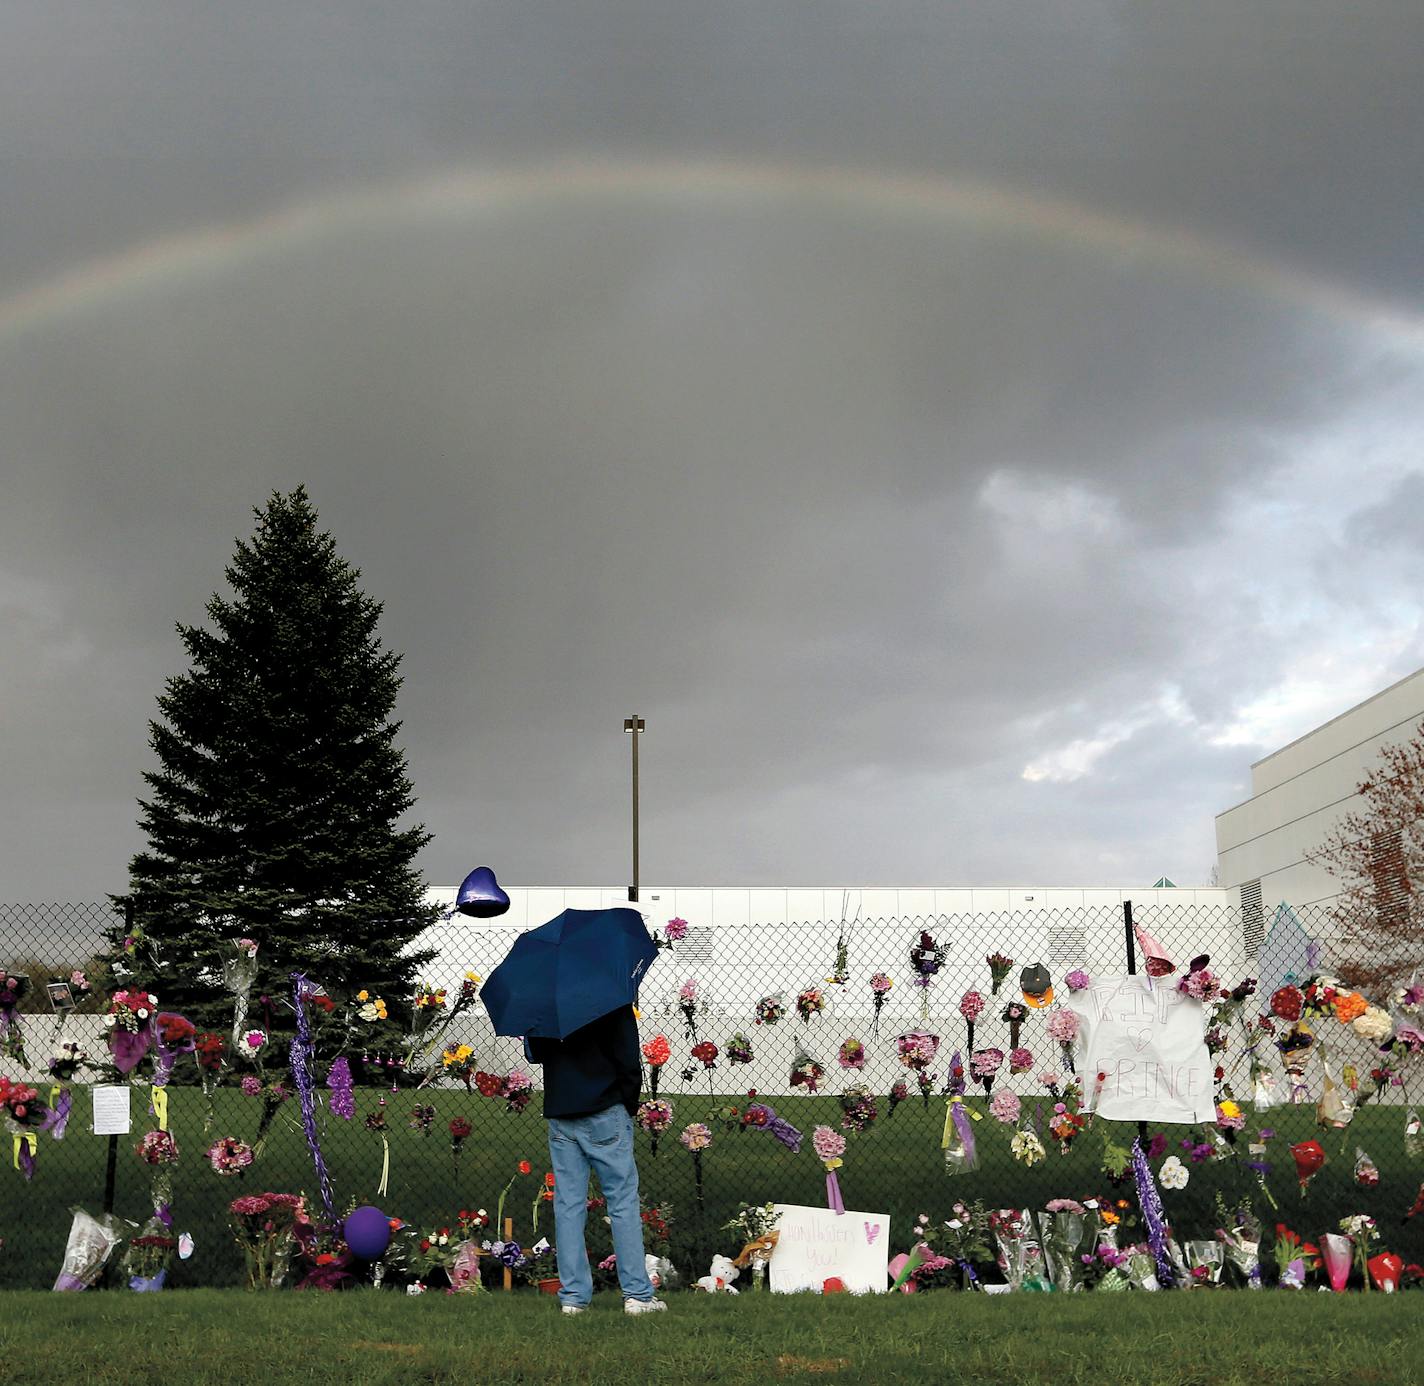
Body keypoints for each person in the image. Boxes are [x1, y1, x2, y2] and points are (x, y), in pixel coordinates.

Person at [525, 1004, 667, 1315]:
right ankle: (637, 1296)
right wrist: (627, 1103)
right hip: (605, 1108)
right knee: (622, 1202)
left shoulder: (544, 999)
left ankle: (574, 1297)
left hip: (561, 1110)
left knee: (568, 1204)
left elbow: (534, 1053)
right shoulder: (611, 1000)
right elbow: (629, 1058)